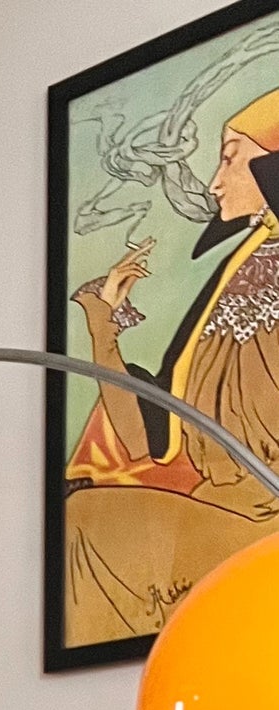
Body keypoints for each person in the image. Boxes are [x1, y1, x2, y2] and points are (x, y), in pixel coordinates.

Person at [65, 87, 279, 644]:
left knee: (84, 524)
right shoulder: (244, 266)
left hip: (264, 530)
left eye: (230, 158)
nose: (214, 182)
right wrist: (104, 330)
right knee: (81, 519)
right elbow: (152, 437)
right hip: (218, 511)